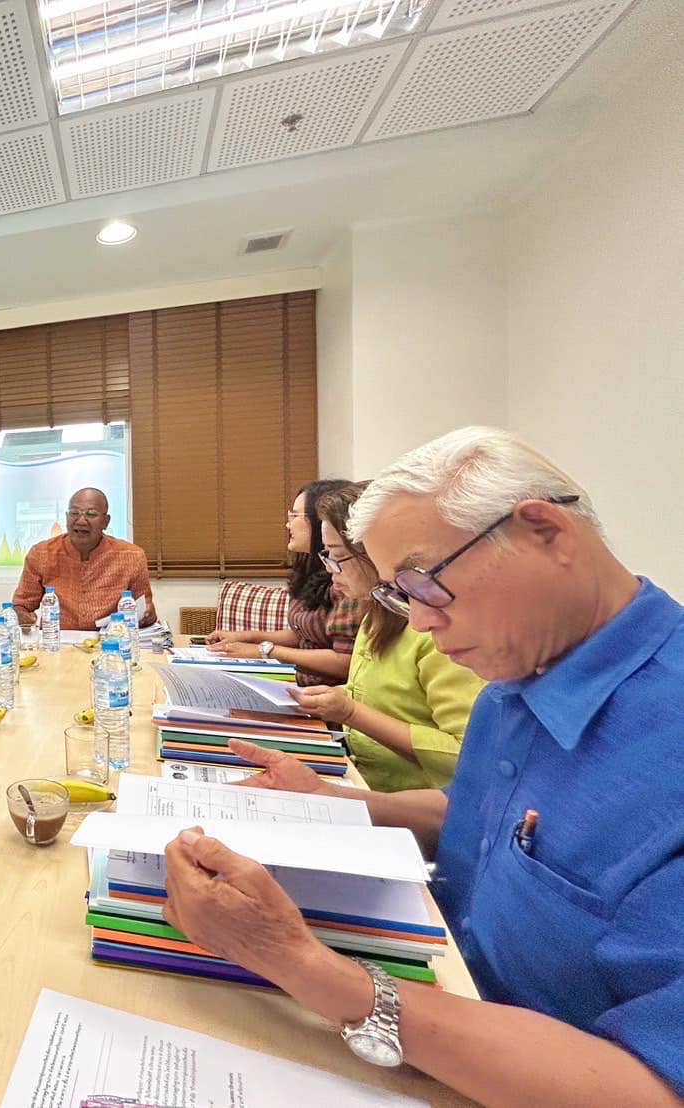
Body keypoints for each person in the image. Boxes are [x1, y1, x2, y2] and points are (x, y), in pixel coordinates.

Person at [161, 427, 684, 1107]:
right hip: (430, 999)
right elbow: (484, 825)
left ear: (542, 531)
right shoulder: (518, 672)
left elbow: (648, 1090)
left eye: (421, 585)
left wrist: (298, 962)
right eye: (395, 597)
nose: (417, 621)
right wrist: (330, 800)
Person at [289, 482, 486, 791]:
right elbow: (380, 697)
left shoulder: (435, 631)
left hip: (417, 807)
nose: (330, 570)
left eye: (338, 556)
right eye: (326, 556)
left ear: (375, 555)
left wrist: (351, 712)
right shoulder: (374, 613)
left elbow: (465, 754)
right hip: (361, 781)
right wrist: (331, 699)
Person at [207, 479, 363, 685]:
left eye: (295, 516)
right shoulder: (312, 571)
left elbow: (346, 662)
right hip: (298, 681)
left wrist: (266, 651)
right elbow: (305, 635)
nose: (288, 524)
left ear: (319, 522)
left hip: (322, 694)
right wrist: (248, 637)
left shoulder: (348, 581)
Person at [11, 487, 157, 631]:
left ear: (106, 522)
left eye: (91, 514)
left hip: (112, 643)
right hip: (57, 643)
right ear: (67, 517)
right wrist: (22, 615)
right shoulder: (41, 554)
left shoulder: (131, 556)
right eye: (74, 513)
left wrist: (148, 615)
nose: (81, 521)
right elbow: (22, 604)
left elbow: (144, 607)